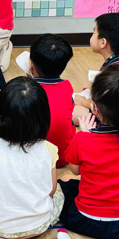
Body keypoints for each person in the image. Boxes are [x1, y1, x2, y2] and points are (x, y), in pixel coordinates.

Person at [0, 78, 65, 239]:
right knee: (59, 190)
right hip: (39, 226)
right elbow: (51, 191)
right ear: (43, 117)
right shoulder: (49, 149)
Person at [59, 65, 119, 239]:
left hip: (82, 220)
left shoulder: (82, 140)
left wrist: (85, 134)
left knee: (65, 183)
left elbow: (75, 170)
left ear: (95, 108)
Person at [73, 13, 119, 122]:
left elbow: (106, 109)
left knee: (68, 112)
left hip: (114, 118)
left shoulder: (114, 73)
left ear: (103, 42)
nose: (92, 36)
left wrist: (83, 102)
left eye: (94, 33)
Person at [27, 34, 76, 166]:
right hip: (62, 158)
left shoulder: (25, 89)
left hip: (31, 159)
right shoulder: (67, 87)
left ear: (31, 65)